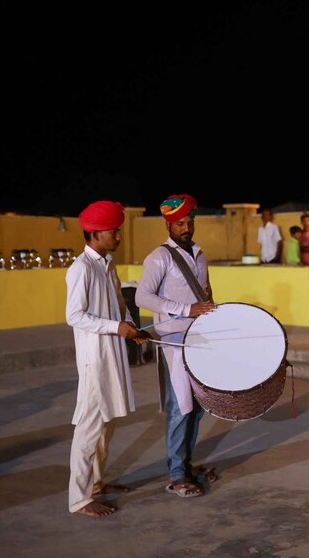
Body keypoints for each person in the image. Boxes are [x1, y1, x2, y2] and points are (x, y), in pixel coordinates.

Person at [66, 200, 150, 518]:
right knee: (89, 427)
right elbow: (74, 315)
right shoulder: (81, 268)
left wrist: (132, 328)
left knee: (106, 424)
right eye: (115, 231)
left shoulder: (108, 263)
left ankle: (97, 484)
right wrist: (117, 327)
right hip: (94, 358)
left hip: (112, 352)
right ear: (97, 233)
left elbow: (119, 304)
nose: (118, 236)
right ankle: (78, 498)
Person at [135, 194, 219, 498]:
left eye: (189, 222)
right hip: (174, 341)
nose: (186, 228)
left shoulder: (198, 253)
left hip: (200, 339)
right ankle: (175, 475)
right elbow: (142, 297)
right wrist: (186, 310)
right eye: (180, 223)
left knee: (197, 407)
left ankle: (185, 464)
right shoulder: (159, 257)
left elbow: (204, 293)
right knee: (180, 406)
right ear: (168, 224)